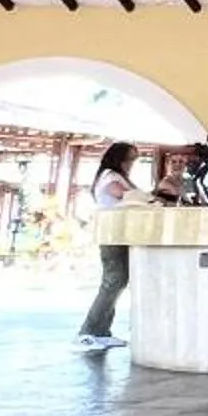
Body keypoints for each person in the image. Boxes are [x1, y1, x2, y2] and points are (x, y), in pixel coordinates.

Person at [79, 142, 144, 351]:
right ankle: (89, 331)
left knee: (118, 282)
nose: (132, 163)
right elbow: (124, 195)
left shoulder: (117, 176)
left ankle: (102, 331)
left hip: (120, 234)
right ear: (119, 158)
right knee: (112, 282)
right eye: (129, 158)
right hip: (112, 235)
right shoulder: (110, 177)